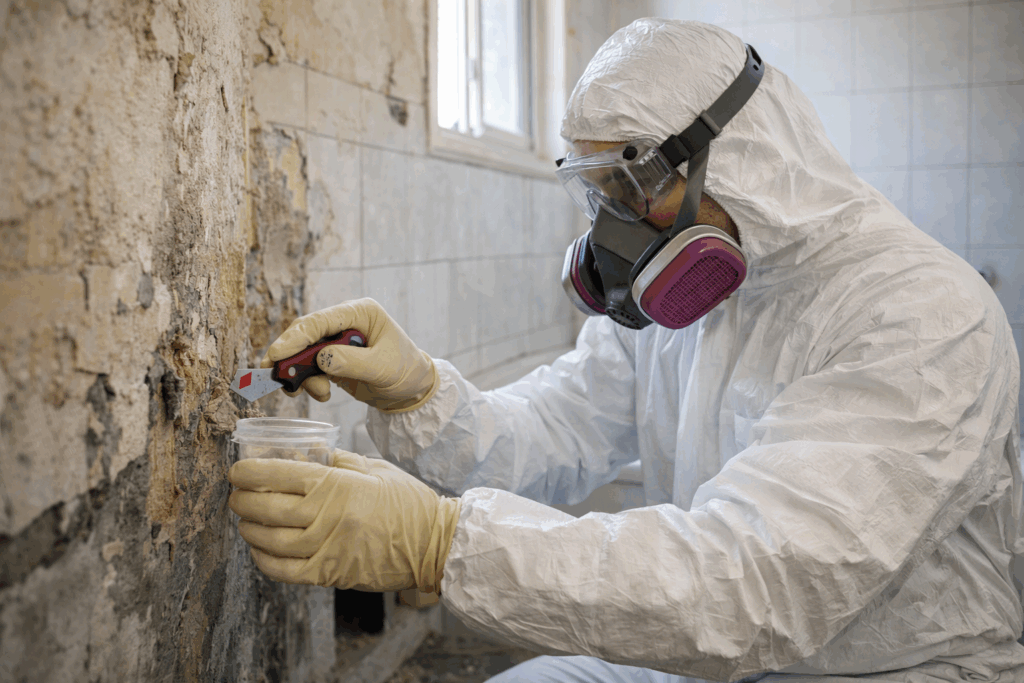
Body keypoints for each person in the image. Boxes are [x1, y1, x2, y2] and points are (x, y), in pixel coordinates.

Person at [226, 19, 1024, 682]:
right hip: (725, 654)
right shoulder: (688, 305)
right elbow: (549, 434)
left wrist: (442, 543)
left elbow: (755, 580)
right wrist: (419, 391)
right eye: (598, 191)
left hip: (903, 668)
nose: (615, 226)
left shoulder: (922, 317)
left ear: (738, 154)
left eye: (632, 186)